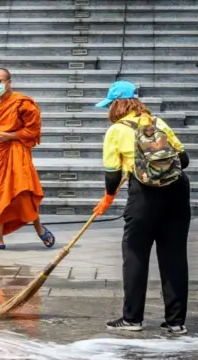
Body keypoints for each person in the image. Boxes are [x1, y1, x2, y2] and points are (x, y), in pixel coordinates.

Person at [93, 80, 190, 335]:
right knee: (174, 257)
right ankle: (176, 322)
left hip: (144, 195)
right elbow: (185, 160)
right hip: (177, 191)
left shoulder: (116, 130)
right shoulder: (157, 122)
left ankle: (132, 319)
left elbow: (112, 175)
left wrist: (107, 198)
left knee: (135, 254)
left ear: (116, 103)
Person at [0, 68, 55, 250]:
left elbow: (33, 130)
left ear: (9, 82)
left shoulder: (22, 103)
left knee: (23, 193)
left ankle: (40, 229)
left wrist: (11, 136)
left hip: (15, 153)